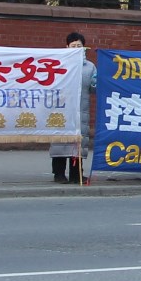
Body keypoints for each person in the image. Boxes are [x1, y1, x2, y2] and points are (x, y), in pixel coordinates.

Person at [49, 32, 86, 184]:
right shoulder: (58, 64)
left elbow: (93, 87)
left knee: (78, 143)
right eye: (73, 46)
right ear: (67, 47)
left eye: (79, 46)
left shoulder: (89, 67)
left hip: (80, 110)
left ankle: (76, 175)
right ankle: (59, 173)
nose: (76, 48)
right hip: (61, 109)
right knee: (60, 142)